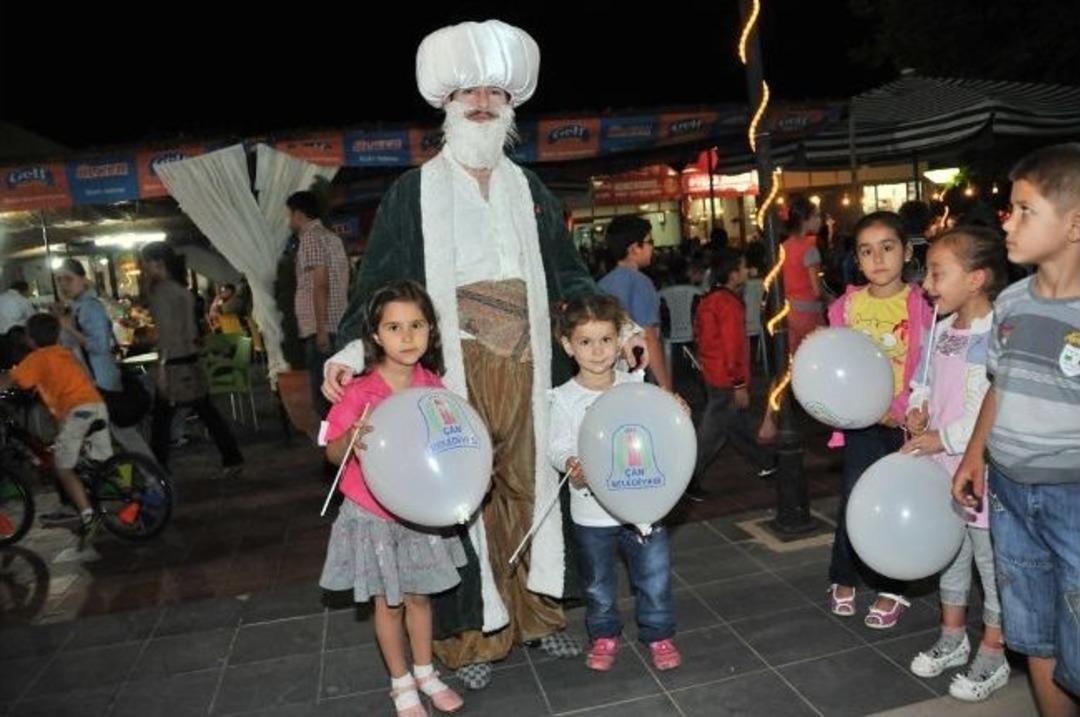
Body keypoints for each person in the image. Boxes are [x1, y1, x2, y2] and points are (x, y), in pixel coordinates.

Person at [319, 20, 647, 690]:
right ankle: (472, 636)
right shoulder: (411, 194)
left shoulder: (534, 192)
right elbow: (379, 282)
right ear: (445, 102)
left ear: (511, 106)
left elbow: (571, 276)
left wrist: (623, 323)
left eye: (495, 90)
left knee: (536, 496)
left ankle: (539, 617)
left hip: (531, 370)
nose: (481, 100)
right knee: (467, 502)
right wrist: (353, 349)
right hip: (452, 374)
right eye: (467, 89)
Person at [954, 144, 1080, 716]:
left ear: (1074, 224)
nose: (1009, 221)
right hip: (1010, 493)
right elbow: (998, 388)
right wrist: (973, 455)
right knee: (1035, 632)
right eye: (1010, 208)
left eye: (1026, 210)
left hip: (1072, 495)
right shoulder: (1009, 303)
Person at [320, 280, 465, 717]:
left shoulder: (432, 385)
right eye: (395, 327)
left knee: (421, 597)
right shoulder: (360, 392)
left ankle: (426, 672)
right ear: (376, 336)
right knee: (390, 601)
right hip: (374, 514)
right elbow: (330, 450)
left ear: (430, 331)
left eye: (416, 325)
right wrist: (350, 437)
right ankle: (400, 683)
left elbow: (448, 441)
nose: (407, 337)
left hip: (419, 515)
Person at [903, 227, 1010, 702]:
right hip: (939, 467)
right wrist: (918, 404)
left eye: (937, 273)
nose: (926, 284)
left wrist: (938, 438)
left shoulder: (995, 334)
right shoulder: (943, 329)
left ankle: (994, 647)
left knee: (990, 564)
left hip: (977, 472)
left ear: (976, 279)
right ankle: (953, 635)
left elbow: (987, 409)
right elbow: (925, 379)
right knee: (949, 555)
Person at [547, 295, 681, 673]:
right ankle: (604, 634)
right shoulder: (564, 398)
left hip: (643, 502)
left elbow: (657, 428)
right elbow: (557, 446)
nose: (597, 350)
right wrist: (570, 462)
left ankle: (658, 634)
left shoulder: (634, 386)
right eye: (586, 342)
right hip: (591, 513)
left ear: (618, 339)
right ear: (568, 345)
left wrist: (675, 412)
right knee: (597, 584)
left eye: (606, 339)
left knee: (653, 576)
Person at [825, 211, 934, 629]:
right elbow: (836, 364)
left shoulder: (922, 304)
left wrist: (908, 409)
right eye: (867, 251)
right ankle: (844, 575)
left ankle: (894, 585)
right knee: (856, 498)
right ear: (857, 258)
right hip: (862, 422)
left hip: (907, 423)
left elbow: (927, 365)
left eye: (887, 248)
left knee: (900, 503)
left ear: (906, 251)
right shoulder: (846, 306)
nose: (878, 259)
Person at [0, 313, 109, 541]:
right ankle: (125, 489)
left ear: (30, 339)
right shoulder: (64, 352)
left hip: (77, 411)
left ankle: (89, 516)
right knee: (99, 460)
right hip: (96, 405)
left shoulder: (37, 358)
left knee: (63, 467)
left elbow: (12, 379)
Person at [141, 242, 244, 476]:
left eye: (146, 263)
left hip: (174, 362)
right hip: (191, 359)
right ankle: (232, 457)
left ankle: (157, 468)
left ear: (157, 264)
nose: (145, 269)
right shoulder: (182, 290)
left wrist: (162, 367)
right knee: (206, 412)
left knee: (161, 420)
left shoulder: (161, 292)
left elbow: (167, 333)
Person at [688, 248, 777, 502]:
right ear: (732, 273)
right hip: (726, 379)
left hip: (713, 373)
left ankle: (765, 461)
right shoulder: (728, 304)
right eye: (743, 267)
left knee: (735, 426)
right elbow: (733, 346)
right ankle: (688, 477)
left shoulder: (710, 299)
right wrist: (739, 383)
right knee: (712, 433)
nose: (747, 271)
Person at [287, 190, 350, 419]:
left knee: (325, 396)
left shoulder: (311, 238)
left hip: (321, 328)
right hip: (337, 323)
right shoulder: (331, 238)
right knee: (338, 391)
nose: (289, 220)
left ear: (299, 213)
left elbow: (319, 284)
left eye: (289, 214)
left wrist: (321, 329)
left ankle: (332, 450)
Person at [599, 215, 672, 391]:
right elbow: (649, 337)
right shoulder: (640, 283)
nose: (653, 247)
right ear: (634, 248)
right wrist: (665, 386)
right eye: (649, 241)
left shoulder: (602, 284)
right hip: (635, 374)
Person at [781, 195, 826, 352]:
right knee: (818, 354)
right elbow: (816, 290)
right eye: (817, 215)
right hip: (810, 313)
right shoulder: (809, 248)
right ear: (805, 220)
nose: (820, 220)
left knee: (796, 358)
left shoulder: (784, 247)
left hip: (790, 311)